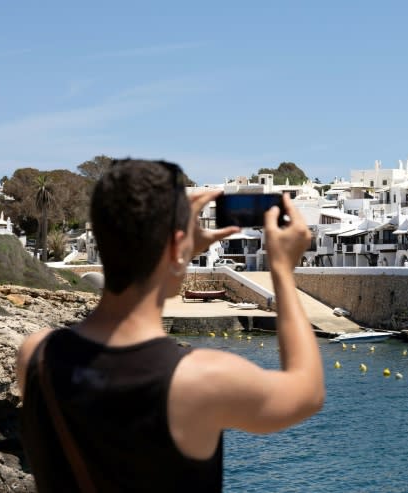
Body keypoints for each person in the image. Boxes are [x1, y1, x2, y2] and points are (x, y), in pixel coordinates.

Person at [16, 159, 324, 492]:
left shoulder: (36, 356)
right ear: (178, 248)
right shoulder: (199, 380)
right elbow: (306, 391)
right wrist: (281, 269)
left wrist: (176, 249)